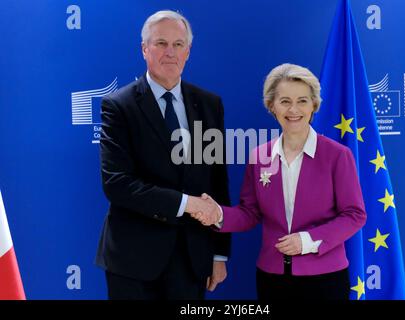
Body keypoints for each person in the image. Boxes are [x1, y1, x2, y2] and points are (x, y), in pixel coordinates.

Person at [192, 63, 367, 300]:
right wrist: (218, 215)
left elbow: (354, 214)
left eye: (302, 101)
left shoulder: (337, 155)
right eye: (285, 101)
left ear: (314, 104)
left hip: (325, 278)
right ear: (271, 106)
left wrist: (306, 241)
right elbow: (249, 213)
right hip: (272, 277)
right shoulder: (259, 156)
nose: (293, 109)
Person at [95, 10, 231, 300]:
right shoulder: (118, 106)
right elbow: (117, 183)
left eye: (178, 44)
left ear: (188, 51)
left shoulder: (209, 105)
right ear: (145, 49)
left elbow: (217, 180)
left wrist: (219, 253)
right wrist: (187, 203)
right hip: (133, 261)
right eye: (161, 43)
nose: (170, 52)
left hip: (192, 258)